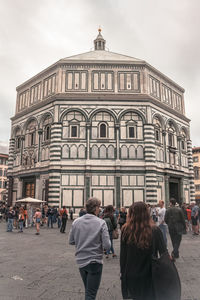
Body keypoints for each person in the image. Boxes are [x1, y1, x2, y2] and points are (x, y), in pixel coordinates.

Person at [120, 202, 167, 300]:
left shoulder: (125, 230)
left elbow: (123, 256)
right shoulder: (155, 230)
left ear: (130, 214)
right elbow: (164, 254)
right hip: (151, 275)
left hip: (131, 274)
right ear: (147, 213)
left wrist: (123, 274)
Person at [69, 197, 111, 300]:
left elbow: (71, 241)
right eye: (99, 207)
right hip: (94, 261)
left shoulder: (76, 222)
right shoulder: (101, 222)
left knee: (88, 291)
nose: (100, 209)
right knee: (91, 294)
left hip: (81, 261)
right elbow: (107, 245)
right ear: (96, 208)